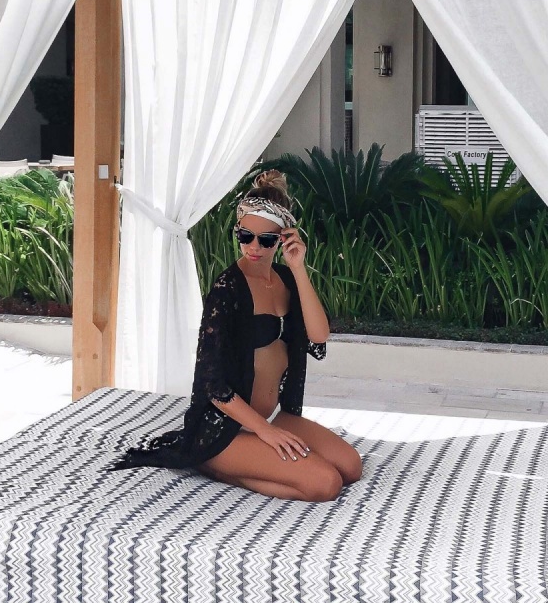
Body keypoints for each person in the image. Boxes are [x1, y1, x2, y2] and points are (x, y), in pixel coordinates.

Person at [111, 170, 362, 501]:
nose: (253, 247)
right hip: (224, 427)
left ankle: (249, 459)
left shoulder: (287, 279)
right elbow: (212, 383)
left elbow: (318, 335)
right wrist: (265, 433)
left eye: (266, 239)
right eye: (245, 236)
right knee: (325, 483)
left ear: (284, 239)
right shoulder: (227, 288)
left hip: (273, 416)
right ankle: (211, 464)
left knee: (351, 467)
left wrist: (299, 268)